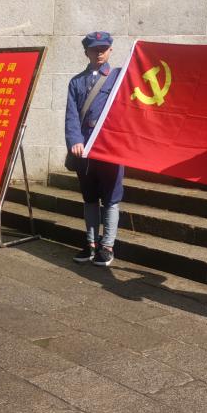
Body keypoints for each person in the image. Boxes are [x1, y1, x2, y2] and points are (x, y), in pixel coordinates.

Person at [64, 32, 124, 267]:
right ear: (86, 52)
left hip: (110, 149)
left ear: (110, 50)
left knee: (111, 198)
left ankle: (107, 246)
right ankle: (90, 243)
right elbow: (71, 115)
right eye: (94, 49)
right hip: (85, 150)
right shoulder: (76, 82)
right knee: (89, 197)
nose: (99, 53)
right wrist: (74, 140)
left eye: (103, 48)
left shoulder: (120, 77)